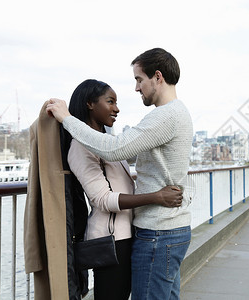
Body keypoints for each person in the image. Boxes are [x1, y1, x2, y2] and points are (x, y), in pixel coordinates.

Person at [46, 48, 193, 300]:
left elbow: (114, 149)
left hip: (159, 232)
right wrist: (157, 195)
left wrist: (67, 118)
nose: (136, 88)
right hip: (160, 229)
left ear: (157, 77)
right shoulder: (176, 113)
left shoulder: (165, 116)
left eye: (139, 79)